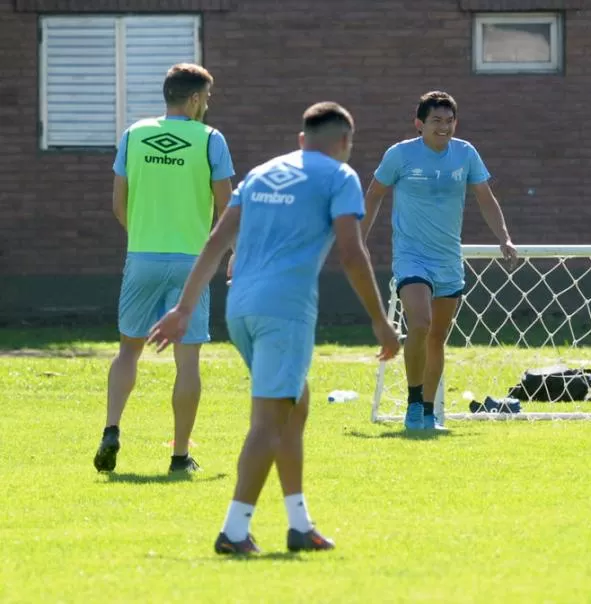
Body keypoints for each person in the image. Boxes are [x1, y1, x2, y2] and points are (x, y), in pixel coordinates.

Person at [148, 101, 400, 554]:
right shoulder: (340, 176)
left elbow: (216, 241)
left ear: (302, 139)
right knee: (267, 421)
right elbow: (351, 251)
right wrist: (380, 322)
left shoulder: (262, 173)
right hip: (284, 311)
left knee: (296, 404)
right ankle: (234, 531)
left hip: (240, 307)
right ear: (345, 142)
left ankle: (299, 524)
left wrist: (184, 308)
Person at [94, 63, 235, 474]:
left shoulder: (133, 135)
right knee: (187, 362)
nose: (207, 106)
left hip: (142, 257)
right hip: (192, 264)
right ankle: (179, 458)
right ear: (194, 99)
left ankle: (111, 429)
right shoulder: (210, 139)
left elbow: (118, 204)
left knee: (128, 351)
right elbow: (227, 207)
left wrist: (141, 237)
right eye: (206, 99)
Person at [361, 90, 517, 432]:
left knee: (437, 337)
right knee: (420, 323)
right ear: (420, 124)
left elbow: (486, 198)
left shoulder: (466, 153)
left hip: (448, 258)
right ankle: (414, 404)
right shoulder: (400, 155)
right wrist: (360, 239)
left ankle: (429, 412)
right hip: (411, 257)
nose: (444, 127)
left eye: (449, 121)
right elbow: (374, 195)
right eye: (436, 121)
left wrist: (503, 236)